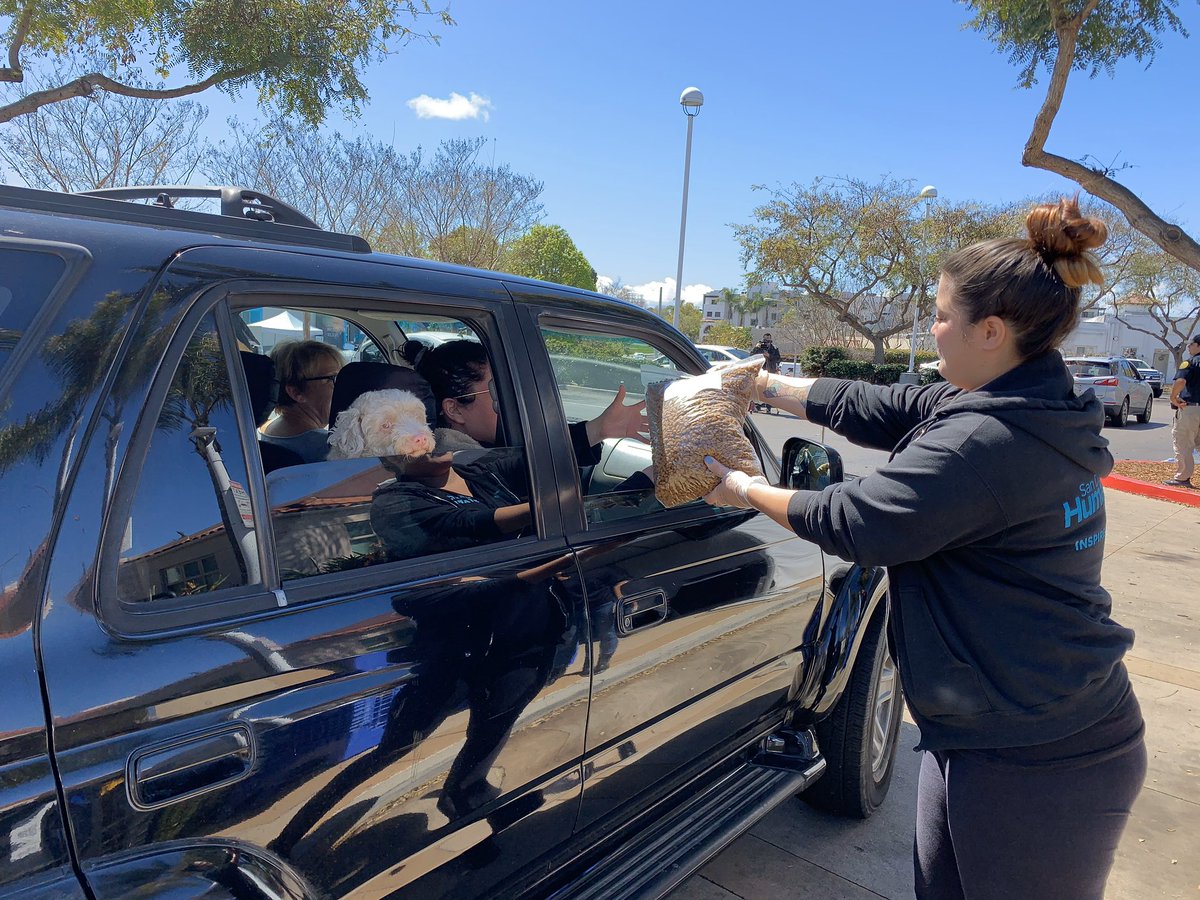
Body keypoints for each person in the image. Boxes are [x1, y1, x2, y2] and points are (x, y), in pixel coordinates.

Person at [704, 197, 1145, 900]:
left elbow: (859, 520)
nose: (930, 329)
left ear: (991, 330)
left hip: (1042, 753)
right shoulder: (1026, 398)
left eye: (941, 315)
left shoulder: (989, 443)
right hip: (989, 730)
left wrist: (741, 487)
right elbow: (879, 406)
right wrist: (759, 385)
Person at [260, 340, 345, 463]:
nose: (342, 386)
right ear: (296, 392)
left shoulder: (267, 430)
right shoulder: (329, 449)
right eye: (332, 378)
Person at [1163, 333, 1200, 487]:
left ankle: (1182, 477)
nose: (1189, 347)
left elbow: (1181, 380)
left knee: (1183, 442)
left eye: (1191, 344)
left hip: (1190, 409)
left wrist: (1173, 397)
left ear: (1198, 346)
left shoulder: (1189, 363)